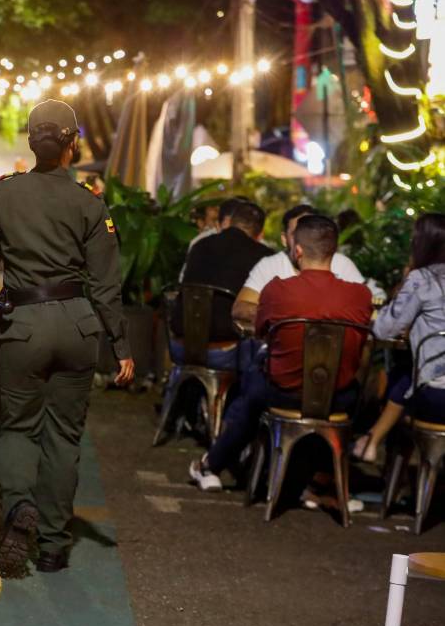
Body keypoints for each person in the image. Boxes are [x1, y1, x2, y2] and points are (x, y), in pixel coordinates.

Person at [0, 99, 135, 573]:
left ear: (30, 142)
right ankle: (55, 544)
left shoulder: (3, 193)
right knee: (64, 435)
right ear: (72, 144)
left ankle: (20, 503)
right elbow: (106, 282)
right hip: (78, 324)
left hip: (21, 324)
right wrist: (121, 345)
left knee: (15, 426)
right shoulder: (89, 200)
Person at [189, 215, 372, 492]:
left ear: (297, 250)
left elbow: (261, 330)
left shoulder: (277, 289)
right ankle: (315, 480)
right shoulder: (360, 295)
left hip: (282, 391)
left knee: (252, 388)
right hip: (337, 396)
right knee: (356, 391)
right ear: (333, 253)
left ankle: (213, 464)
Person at [352, 213, 445, 462]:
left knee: (404, 379)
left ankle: (378, 450)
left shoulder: (422, 279)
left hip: (438, 397)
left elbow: (383, 330)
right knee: (407, 376)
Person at [170, 200, 275, 370]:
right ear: (260, 235)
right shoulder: (263, 256)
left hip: (179, 345)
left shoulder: (200, 245)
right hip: (226, 350)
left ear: (229, 223)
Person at [231, 204, 366, 326]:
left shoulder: (343, 264)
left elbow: (367, 312)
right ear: (284, 239)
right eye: (298, 233)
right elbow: (239, 308)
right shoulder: (269, 267)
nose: (307, 238)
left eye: (312, 231)